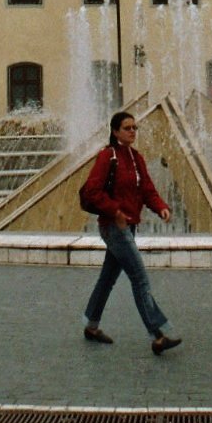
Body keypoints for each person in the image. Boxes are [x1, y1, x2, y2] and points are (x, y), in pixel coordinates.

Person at [82, 110, 181, 355]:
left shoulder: (136, 158)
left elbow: (147, 188)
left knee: (108, 278)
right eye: (127, 128)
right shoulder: (108, 156)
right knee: (139, 278)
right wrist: (115, 211)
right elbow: (93, 191)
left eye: (135, 128)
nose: (132, 132)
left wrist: (161, 207)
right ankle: (157, 334)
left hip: (128, 226)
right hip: (114, 227)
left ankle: (91, 326)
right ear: (115, 132)